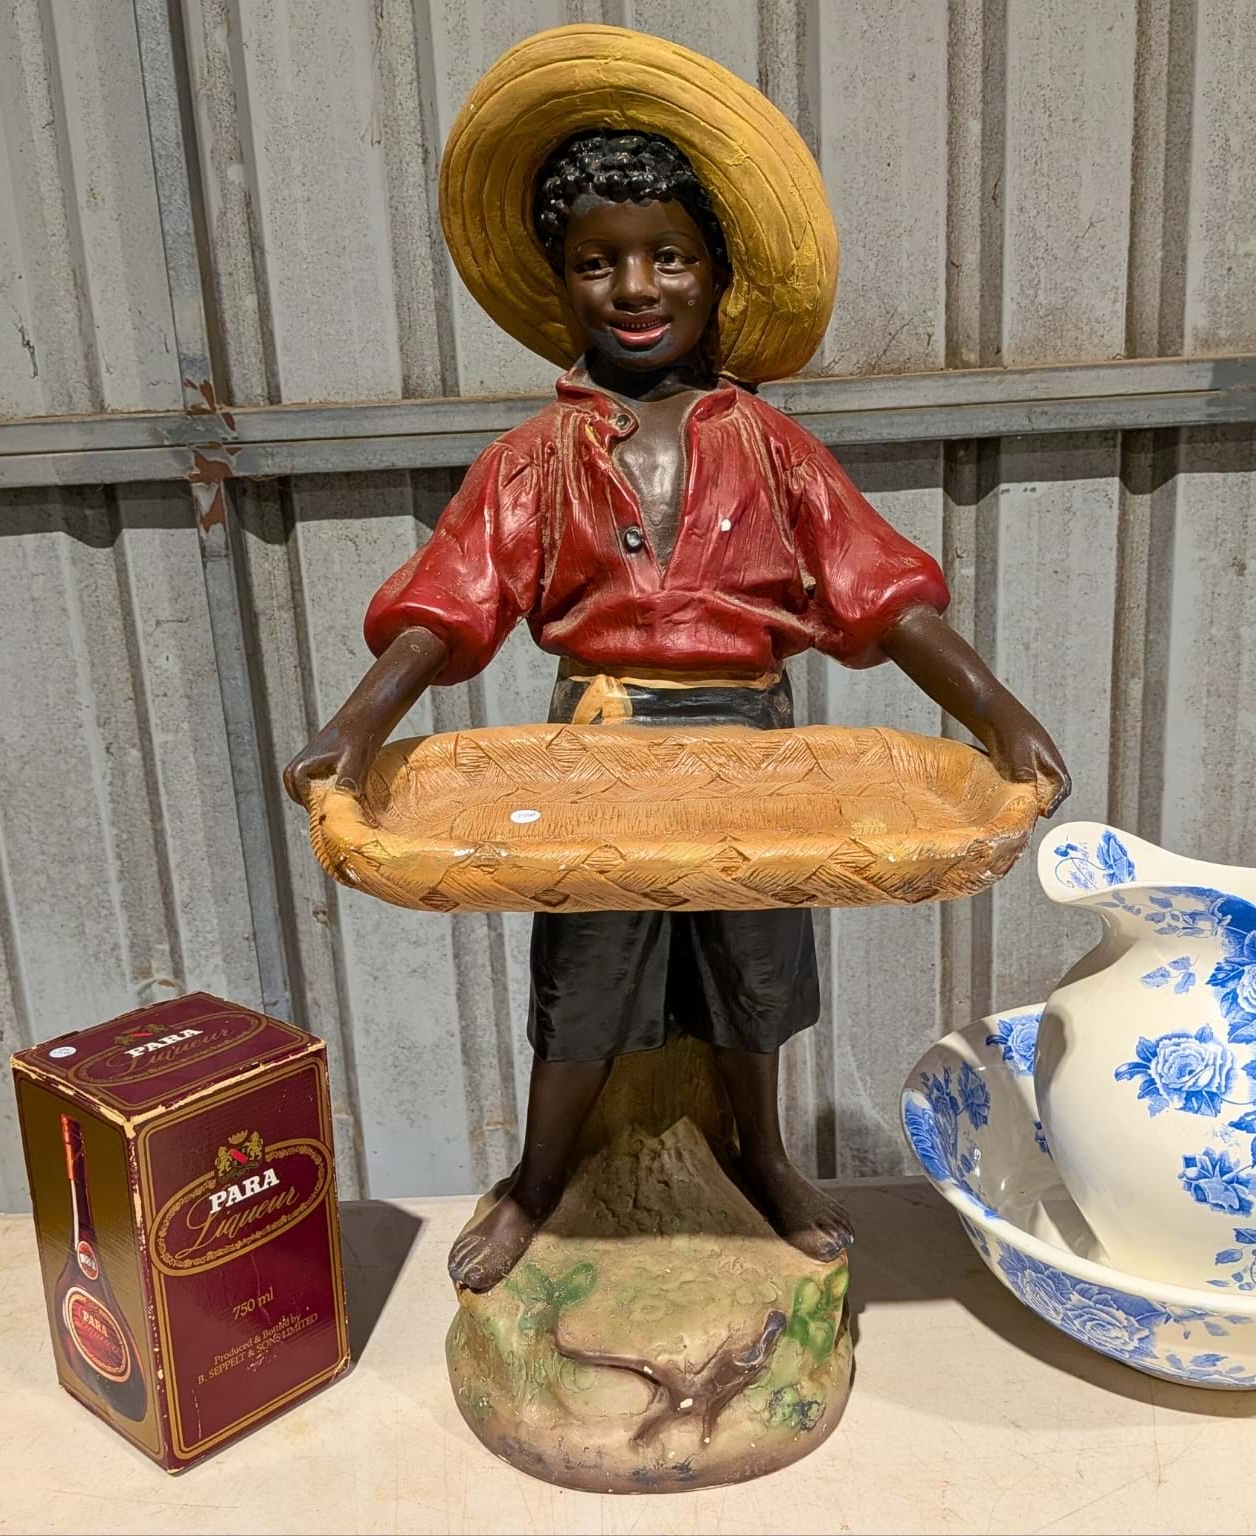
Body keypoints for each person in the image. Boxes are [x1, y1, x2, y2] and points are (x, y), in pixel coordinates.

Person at [284, 35, 1068, 1295]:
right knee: (584, 975)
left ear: (715, 273)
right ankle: (539, 1178)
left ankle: (762, 1155)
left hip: (752, 742)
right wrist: (356, 723)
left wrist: (998, 711)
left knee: (755, 973)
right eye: (597, 262)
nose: (635, 286)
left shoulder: (769, 446)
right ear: (560, 282)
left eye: (668, 256)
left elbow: (877, 591)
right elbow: (447, 601)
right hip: (598, 744)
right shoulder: (533, 458)